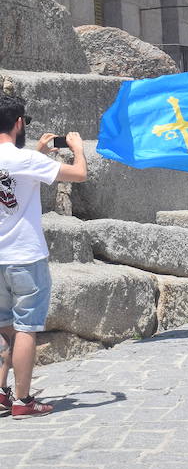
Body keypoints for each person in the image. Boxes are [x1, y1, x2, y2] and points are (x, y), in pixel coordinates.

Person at [0, 94, 87, 418]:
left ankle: (2, 393)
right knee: (25, 328)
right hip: (25, 255)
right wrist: (78, 148)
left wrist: (38, 153)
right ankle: (24, 401)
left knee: (2, 328)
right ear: (19, 122)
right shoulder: (26, 161)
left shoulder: (27, 159)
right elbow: (78, 174)